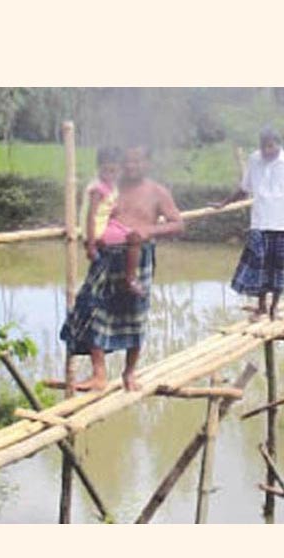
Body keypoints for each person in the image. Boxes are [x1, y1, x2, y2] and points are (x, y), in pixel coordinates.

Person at [61, 145, 184, 392]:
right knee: (93, 308)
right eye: (127, 162)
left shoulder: (157, 192)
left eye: (137, 161)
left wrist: (149, 230)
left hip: (137, 257)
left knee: (135, 314)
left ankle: (129, 373)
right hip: (106, 255)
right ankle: (99, 373)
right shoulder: (109, 186)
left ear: (147, 163)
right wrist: (90, 239)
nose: (131, 166)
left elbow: (178, 224)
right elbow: (91, 214)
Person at [215, 126, 284, 321]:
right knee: (259, 264)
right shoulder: (254, 160)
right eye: (263, 146)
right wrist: (224, 203)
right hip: (260, 221)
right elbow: (244, 189)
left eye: (270, 146)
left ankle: (274, 307)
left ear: (279, 145)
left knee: (278, 267)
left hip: (282, 223)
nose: (267, 150)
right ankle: (261, 307)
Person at [82, 146, 144, 296]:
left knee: (133, 231)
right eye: (106, 170)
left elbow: (108, 208)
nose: (110, 175)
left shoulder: (111, 186)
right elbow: (91, 216)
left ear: (119, 170)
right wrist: (91, 245)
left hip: (105, 224)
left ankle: (125, 277)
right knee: (135, 238)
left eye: (114, 171)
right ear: (99, 168)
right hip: (97, 230)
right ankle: (130, 279)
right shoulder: (97, 189)